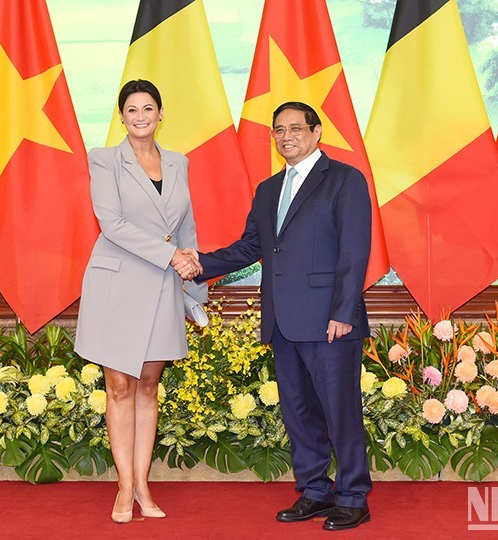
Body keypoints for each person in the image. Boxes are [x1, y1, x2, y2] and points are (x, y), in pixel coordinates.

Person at [192, 102, 372, 531]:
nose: (286, 136)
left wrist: (343, 311)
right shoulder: (269, 189)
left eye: (295, 128)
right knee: (298, 412)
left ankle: (353, 497)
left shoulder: (345, 180)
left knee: (339, 412)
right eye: (278, 130)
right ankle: (314, 491)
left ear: (316, 132)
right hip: (282, 320)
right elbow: (250, 247)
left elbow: (354, 250)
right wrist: (199, 263)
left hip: (330, 321)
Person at [74, 79, 206, 524]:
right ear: (122, 116)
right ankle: (123, 486)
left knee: (148, 386)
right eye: (131, 110)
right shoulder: (105, 160)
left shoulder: (179, 162)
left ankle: (144, 483)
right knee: (119, 387)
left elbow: (186, 231)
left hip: (166, 286)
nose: (140, 116)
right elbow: (111, 225)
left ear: (161, 113)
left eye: (148, 108)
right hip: (117, 285)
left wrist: (193, 292)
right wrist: (170, 255)